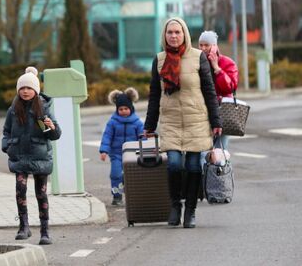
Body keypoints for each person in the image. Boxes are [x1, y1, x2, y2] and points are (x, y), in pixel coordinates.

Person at [144, 18, 221, 229]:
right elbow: (154, 94)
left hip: (196, 119)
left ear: (184, 33)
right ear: (164, 35)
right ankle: (175, 205)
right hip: (171, 121)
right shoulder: (159, 60)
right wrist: (149, 125)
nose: (174, 36)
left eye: (177, 32)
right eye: (170, 32)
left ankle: (190, 210)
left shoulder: (198, 57)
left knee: (194, 166)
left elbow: (209, 90)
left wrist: (216, 121)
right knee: (175, 164)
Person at [1, 66, 61, 245]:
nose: (25, 91)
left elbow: (54, 135)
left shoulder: (43, 109)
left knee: (41, 194)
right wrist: (7, 146)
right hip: (19, 156)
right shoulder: (13, 109)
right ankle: (24, 226)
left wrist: (51, 127)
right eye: (22, 88)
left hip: (39, 157)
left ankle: (45, 231)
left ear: (36, 90)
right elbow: (6, 131)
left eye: (29, 88)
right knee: (20, 190)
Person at [98, 87, 144, 206]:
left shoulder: (137, 123)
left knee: (133, 176)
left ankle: (134, 195)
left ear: (131, 108)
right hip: (116, 154)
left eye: (126, 109)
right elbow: (107, 136)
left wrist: (144, 149)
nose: (123, 111)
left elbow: (142, 138)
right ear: (117, 109)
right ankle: (117, 196)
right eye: (120, 109)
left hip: (133, 154)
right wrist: (104, 151)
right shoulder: (112, 122)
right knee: (115, 174)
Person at [198, 30, 238, 151]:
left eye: (206, 45)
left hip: (222, 112)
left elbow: (230, 88)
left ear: (214, 46)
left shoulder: (228, 63)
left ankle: (221, 164)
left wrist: (217, 68)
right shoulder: (197, 62)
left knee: (220, 151)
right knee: (203, 151)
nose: (203, 48)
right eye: (201, 45)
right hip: (201, 111)